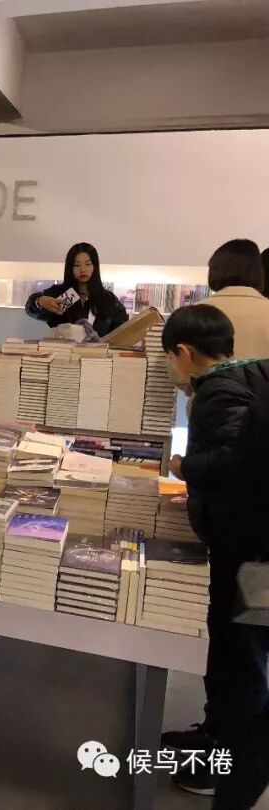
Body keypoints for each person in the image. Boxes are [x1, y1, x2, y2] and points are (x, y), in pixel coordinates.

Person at [161, 304, 269, 799]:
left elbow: (232, 460)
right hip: (248, 543)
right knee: (233, 650)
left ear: (184, 353)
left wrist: (185, 467)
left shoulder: (218, 392)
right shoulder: (250, 375)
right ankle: (218, 738)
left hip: (244, 545)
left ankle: (225, 763)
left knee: (237, 656)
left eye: (170, 357)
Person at [25, 242, 129, 337]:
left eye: (88, 264)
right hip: (62, 350)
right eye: (77, 265)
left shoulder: (108, 299)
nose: (83, 269)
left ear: (95, 266)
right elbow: (31, 308)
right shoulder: (59, 293)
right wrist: (39, 301)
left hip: (98, 351)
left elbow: (121, 330)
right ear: (70, 267)